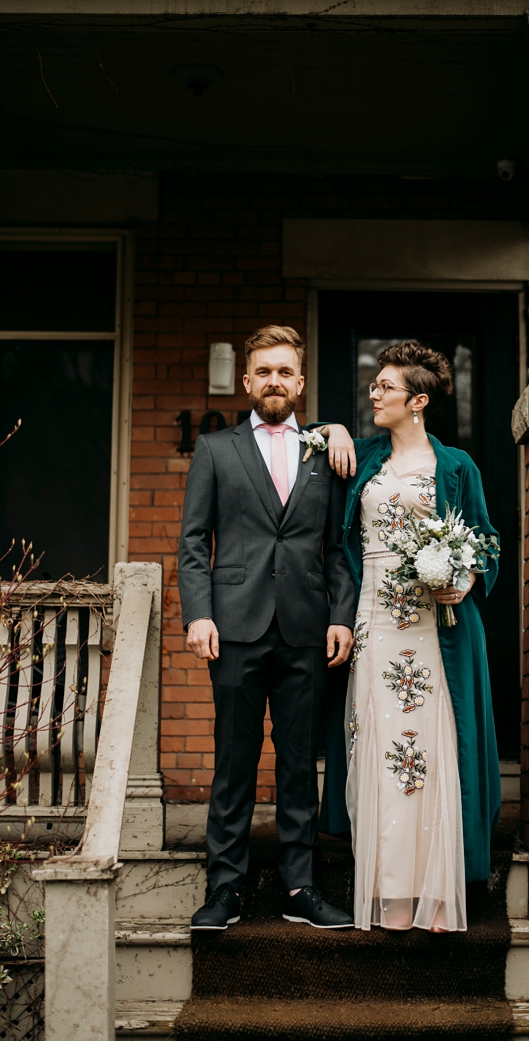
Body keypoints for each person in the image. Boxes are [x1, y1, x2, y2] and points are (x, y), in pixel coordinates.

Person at [318, 340, 502, 933]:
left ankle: (439, 895)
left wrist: (466, 574)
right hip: (375, 620)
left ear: (418, 400)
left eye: (386, 387)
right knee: (380, 743)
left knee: (435, 746)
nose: (375, 393)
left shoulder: (457, 468)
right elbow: (305, 436)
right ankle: (392, 895)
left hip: (437, 628)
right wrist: (335, 428)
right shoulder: (364, 455)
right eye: (373, 386)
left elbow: (486, 538)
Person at [180, 325, 359, 932]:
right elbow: (192, 543)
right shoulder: (215, 450)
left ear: (300, 382)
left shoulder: (323, 452)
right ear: (249, 380)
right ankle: (224, 890)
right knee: (233, 762)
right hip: (232, 627)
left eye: (286, 371)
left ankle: (300, 887)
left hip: (307, 629)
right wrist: (198, 613)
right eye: (265, 371)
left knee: (296, 765)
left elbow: (337, 548)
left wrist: (341, 616)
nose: (274, 381)